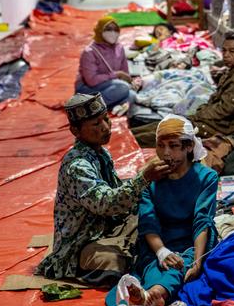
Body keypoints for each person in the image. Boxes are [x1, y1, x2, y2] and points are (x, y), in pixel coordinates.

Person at [35, 93, 170, 285]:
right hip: (82, 243)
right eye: (96, 124)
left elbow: (115, 189)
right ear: (76, 131)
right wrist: (144, 178)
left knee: (153, 217)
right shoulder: (78, 166)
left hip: (106, 228)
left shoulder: (100, 153)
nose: (106, 127)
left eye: (106, 119)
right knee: (115, 261)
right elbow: (107, 204)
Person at [105, 114, 219, 306]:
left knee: (182, 264)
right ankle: (154, 295)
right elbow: (148, 222)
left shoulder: (206, 177)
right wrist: (161, 251)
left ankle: (154, 294)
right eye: (161, 145)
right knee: (153, 263)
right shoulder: (150, 177)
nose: (166, 153)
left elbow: (202, 221)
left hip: (192, 241)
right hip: (158, 240)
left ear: (189, 147)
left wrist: (198, 262)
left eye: (174, 146)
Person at [131, 30, 234, 145]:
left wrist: (200, 114)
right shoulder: (233, 70)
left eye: (232, 51)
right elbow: (218, 99)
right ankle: (128, 134)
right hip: (216, 121)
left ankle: (128, 140)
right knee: (167, 123)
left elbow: (226, 110)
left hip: (222, 127)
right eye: (224, 50)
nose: (226, 55)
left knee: (168, 132)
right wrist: (201, 111)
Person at [76, 17, 134, 113]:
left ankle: (104, 106)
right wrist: (117, 75)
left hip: (111, 86)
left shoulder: (119, 48)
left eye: (116, 30)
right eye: (108, 29)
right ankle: (88, 107)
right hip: (88, 88)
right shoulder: (90, 52)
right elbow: (91, 81)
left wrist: (131, 82)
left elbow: (125, 73)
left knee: (132, 95)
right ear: (99, 31)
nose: (112, 33)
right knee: (123, 88)